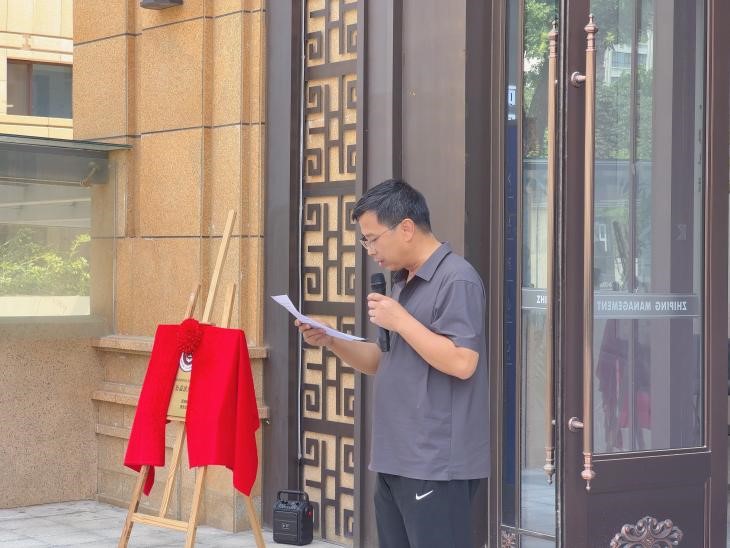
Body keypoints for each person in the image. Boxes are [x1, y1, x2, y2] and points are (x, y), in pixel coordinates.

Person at [296, 179, 489, 548]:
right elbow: (382, 361)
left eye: (373, 239)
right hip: (394, 457)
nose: (370, 250)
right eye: (364, 242)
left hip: (435, 463)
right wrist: (331, 339)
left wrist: (400, 320)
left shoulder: (457, 279)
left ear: (406, 228)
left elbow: (463, 362)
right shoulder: (402, 283)